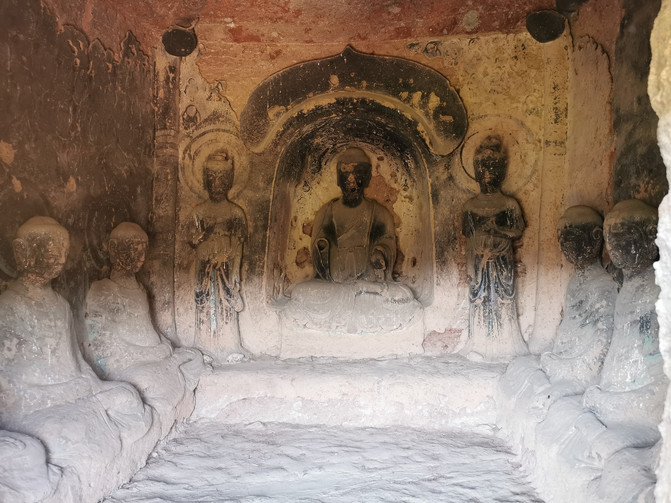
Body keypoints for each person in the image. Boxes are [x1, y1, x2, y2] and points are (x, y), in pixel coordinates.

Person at [0, 216, 158, 499]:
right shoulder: (7, 308)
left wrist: (92, 384)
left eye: (64, 250)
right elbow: (8, 388)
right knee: (62, 430)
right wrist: (67, 391)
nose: (61, 258)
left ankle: (107, 432)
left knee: (126, 396)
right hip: (37, 406)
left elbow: (76, 362)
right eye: (52, 249)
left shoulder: (60, 304)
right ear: (21, 251)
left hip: (75, 392)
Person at [86, 222, 204, 435]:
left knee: (194, 356)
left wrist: (166, 346)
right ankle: (164, 397)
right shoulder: (103, 290)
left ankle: (167, 393)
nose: (140, 256)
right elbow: (105, 349)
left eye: (143, 249)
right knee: (146, 379)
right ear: (113, 248)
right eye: (134, 249)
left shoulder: (140, 289)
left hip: (155, 358)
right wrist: (155, 353)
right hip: (129, 365)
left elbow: (149, 329)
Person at [583, 199, 667, 438]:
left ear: (651, 237)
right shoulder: (623, 286)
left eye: (623, 238)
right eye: (610, 239)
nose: (615, 247)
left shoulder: (659, 290)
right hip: (616, 382)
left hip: (644, 388)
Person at [460, 135, 528, 362]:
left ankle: (506, 342)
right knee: (480, 299)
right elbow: (468, 234)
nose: (487, 173)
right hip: (478, 261)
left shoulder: (509, 204)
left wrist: (498, 229)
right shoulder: (470, 206)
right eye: (482, 168)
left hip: (502, 260)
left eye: (493, 168)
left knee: (503, 299)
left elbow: (517, 230)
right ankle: (480, 341)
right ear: (475, 172)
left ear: (502, 171)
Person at [540, 206, 617, 390]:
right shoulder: (575, 281)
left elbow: (602, 340)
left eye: (572, 239)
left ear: (596, 237)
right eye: (562, 240)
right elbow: (569, 325)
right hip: (565, 355)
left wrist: (578, 365)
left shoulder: (603, 285)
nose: (565, 247)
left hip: (583, 362)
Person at [187, 150, 248, 361]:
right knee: (205, 305)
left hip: (227, 266)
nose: (217, 183)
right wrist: (206, 233)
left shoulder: (235, 212)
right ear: (205, 180)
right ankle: (204, 346)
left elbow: (239, 245)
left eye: (222, 178)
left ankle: (230, 345)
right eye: (212, 177)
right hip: (204, 266)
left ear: (230, 181)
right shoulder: (198, 212)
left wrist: (235, 271)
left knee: (227, 306)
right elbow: (192, 240)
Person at [311, 147, 396, 282]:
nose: (351, 179)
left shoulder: (379, 212)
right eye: (345, 172)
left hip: (368, 278)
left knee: (400, 292)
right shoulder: (326, 212)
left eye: (358, 173)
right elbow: (317, 250)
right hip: (335, 278)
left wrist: (379, 252)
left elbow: (388, 242)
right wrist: (321, 247)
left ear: (367, 177)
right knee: (303, 290)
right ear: (338, 177)